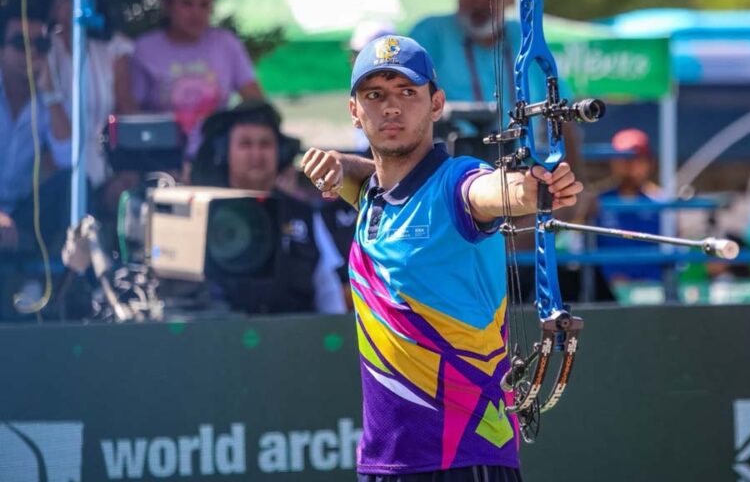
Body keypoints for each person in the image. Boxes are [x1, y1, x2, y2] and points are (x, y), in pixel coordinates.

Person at [301, 35, 583, 481]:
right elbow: (380, 183)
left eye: (407, 93)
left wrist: (532, 190)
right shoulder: (373, 195)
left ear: (436, 103)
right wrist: (340, 164)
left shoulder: (458, 183)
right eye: (375, 95)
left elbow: (492, 191)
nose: (391, 108)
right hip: (384, 463)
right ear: (354, 110)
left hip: (464, 458)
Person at [191, 100, 349, 314]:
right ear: (225, 151)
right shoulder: (203, 211)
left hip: (294, 338)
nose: (256, 154)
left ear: (281, 152)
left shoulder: (303, 213)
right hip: (221, 338)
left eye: (265, 144)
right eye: (245, 144)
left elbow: (327, 288)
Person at [130, 0, 264, 161]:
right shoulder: (145, 49)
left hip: (217, 158)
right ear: (167, 5)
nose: (196, 13)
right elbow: (131, 113)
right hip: (161, 158)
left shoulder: (226, 44)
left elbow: (255, 101)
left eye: (204, 5)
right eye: (187, 3)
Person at [46, 0, 137, 213]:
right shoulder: (42, 49)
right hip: (54, 161)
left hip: (104, 161)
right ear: (53, 6)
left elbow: (125, 111)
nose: (77, 3)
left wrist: (127, 167)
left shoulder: (112, 48)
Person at [0, 6, 71, 254]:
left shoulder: (49, 100)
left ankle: (51, 285)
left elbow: (68, 157)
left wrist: (51, 92)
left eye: (40, 46)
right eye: (20, 44)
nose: (31, 54)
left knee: (73, 182)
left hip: (21, 212)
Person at [592, 128, 667, 288]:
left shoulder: (662, 203)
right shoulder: (596, 202)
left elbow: (672, 254)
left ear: (649, 163)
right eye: (623, 159)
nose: (629, 166)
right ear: (613, 162)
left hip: (655, 290)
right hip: (606, 292)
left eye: (636, 159)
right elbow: (583, 251)